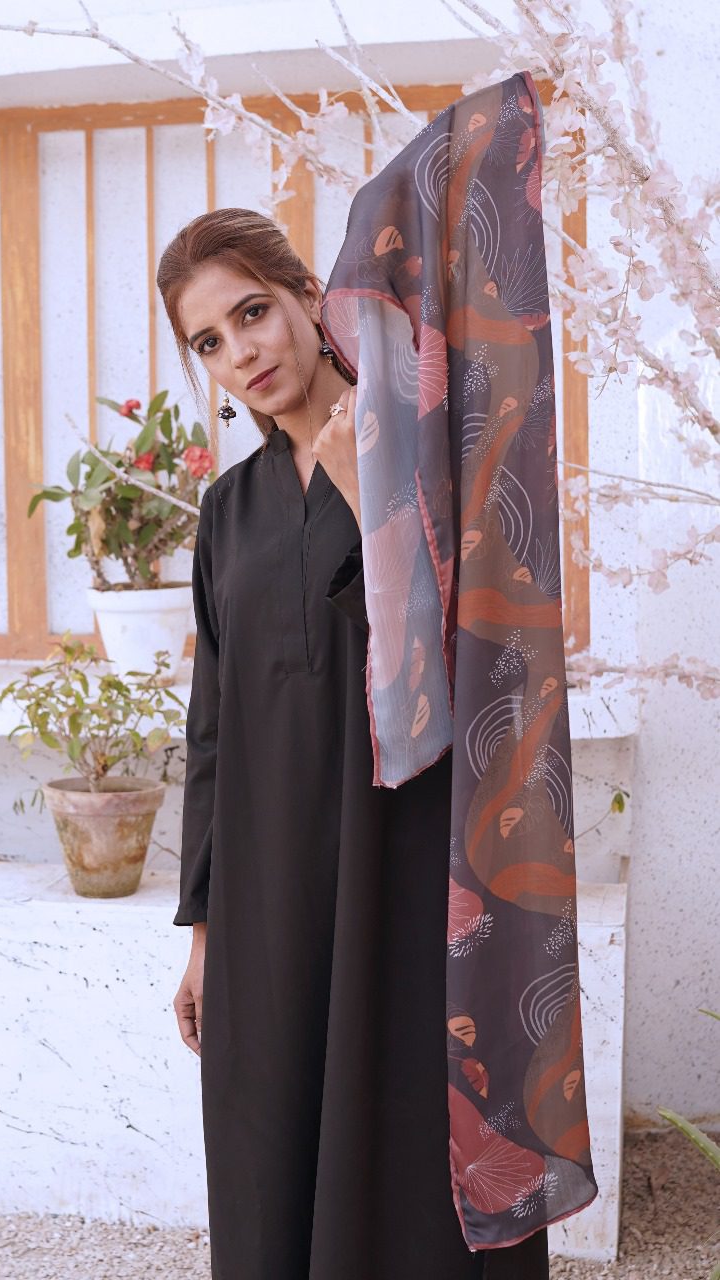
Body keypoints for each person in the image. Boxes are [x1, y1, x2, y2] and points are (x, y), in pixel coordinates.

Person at [156, 207, 552, 1276]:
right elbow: (212, 726)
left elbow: (479, 651)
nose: (242, 352)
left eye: (252, 312)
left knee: (406, 1133)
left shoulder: (418, 449)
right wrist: (203, 930)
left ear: (305, 296)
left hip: (398, 869)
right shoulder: (227, 511)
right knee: (269, 1139)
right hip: (266, 889)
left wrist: (362, 492)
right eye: (209, 340)